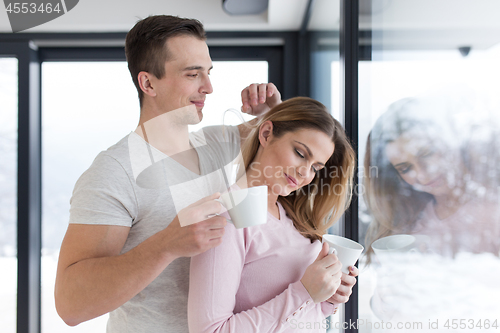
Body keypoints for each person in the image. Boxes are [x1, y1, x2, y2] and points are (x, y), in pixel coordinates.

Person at [54, 15, 281, 332]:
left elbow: (276, 143)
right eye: (193, 74)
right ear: (148, 83)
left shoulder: (215, 143)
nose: (209, 87)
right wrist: (165, 245)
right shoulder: (114, 171)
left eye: (208, 72)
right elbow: (70, 305)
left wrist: (271, 111)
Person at [188, 97, 359, 333]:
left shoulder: (292, 217)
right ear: (266, 133)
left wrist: (326, 297)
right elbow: (210, 330)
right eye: (300, 153)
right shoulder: (232, 212)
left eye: (315, 167)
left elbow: (295, 318)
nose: (304, 172)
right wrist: (304, 292)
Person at [363, 92, 500, 261]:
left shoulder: (493, 210)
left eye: (427, 153)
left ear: (450, 140)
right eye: (405, 168)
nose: (422, 173)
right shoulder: (406, 224)